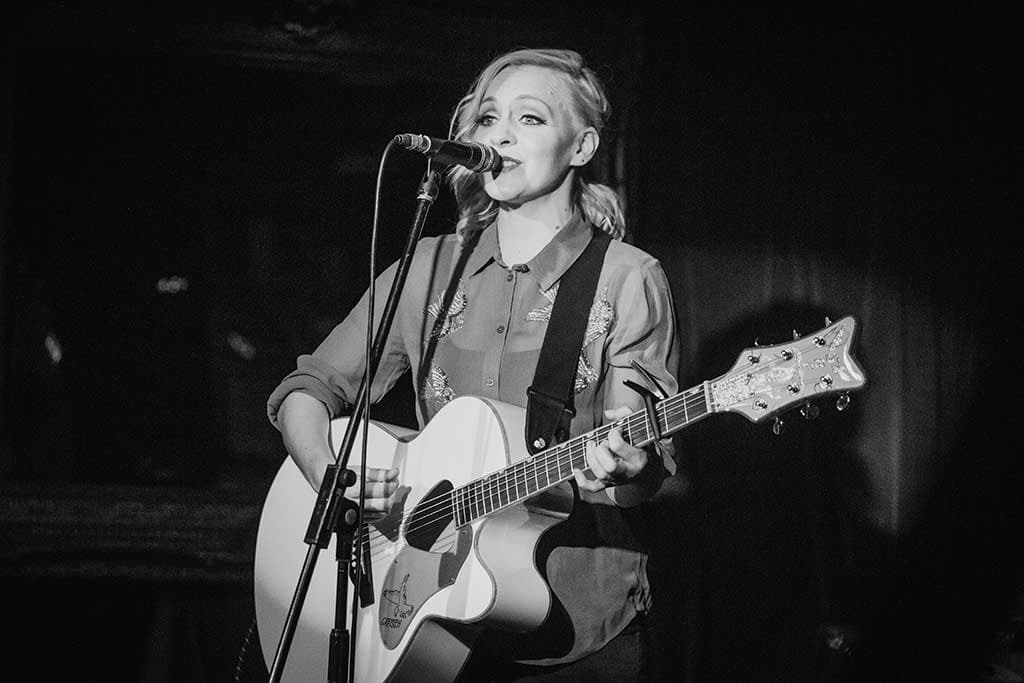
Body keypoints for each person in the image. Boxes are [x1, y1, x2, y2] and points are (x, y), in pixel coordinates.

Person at [267, 47, 681, 682]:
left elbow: (635, 461)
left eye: (531, 119)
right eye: (489, 119)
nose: (502, 135)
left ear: (582, 145)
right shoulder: (428, 267)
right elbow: (310, 388)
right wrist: (329, 477)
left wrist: (628, 465)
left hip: (572, 618)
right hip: (430, 618)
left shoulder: (626, 278)